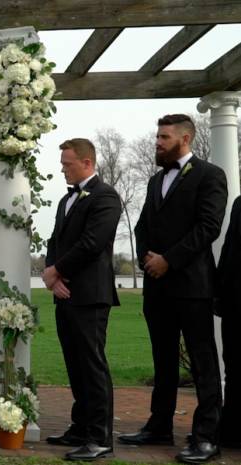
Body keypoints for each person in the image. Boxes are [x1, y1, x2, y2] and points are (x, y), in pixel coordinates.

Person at [120, 114, 226, 464]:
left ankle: (207, 436)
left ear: (185, 139)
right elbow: (141, 226)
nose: (157, 143)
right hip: (157, 287)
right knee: (162, 359)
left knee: (203, 362)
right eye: (157, 137)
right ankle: (159, 425)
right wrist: (147, 259)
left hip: (192, 285)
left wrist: (170, 260)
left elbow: (207, 227)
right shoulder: (154, 181)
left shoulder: (210, 175)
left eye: (164, 138)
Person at [42, 138, 121, 461]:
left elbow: (92, 243)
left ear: (87, 163)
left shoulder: (106, 198)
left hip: (90, 295)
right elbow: (55, 240)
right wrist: (53, 273)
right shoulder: (65, 201)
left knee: (92, 365)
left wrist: (58, 271)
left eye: (67, 164)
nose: (63, 169)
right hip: (65, 294)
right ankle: (80, 426)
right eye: (62, 163)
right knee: (74, 365)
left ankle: (100, 437)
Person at [214, 195, 241, 450]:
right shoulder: (240, 204)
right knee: (233, 367)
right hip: (235, 303)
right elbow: (229, 250)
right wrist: (219, 294)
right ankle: (231, 429)